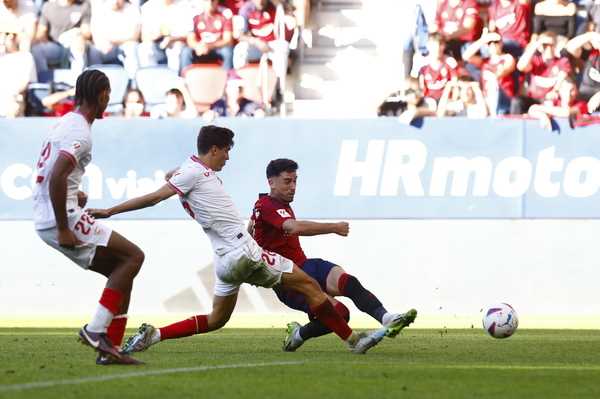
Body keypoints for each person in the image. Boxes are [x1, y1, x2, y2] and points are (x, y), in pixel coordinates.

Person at [88, 125, 390, 355]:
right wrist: (110, 210)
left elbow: (171, 177)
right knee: (310, 286)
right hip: (244, 251)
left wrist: (173, 172)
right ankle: (353, 340)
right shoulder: (193, 173)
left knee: (216, 319)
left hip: (224, 261)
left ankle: (154, 335)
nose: (229, 157)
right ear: (215, 149)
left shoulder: (193, 171)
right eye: (227, 150)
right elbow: (155, 197)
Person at [32, 70, 145, 365]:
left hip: (54, 212)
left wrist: (75, 192)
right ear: (103, 95)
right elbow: (57, 174)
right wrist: (63, 226)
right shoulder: (80, 131)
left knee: (122, 270)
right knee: (134, 257)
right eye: (108, 94)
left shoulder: (67, 123)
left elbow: (51, 174)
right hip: (61, 219)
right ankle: (96, 330)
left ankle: (111, 349)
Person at [248, 159, 417, 352]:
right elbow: (293, 227)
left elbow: (250, 232)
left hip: (305, 265)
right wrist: (334, 227)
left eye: (295, 181)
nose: (293, 187)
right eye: (288, 181)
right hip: (289, 280)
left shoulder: (270, 205)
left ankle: (388, 319)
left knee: (348, 282)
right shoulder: (266, 204)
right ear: (271, 182)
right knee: (340, 315)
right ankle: (298, 335)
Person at [180, 0, 234, 72]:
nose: (210, 3)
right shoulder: (195, 16)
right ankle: (184, 77)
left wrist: (209, 46)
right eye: (206, 0)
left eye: (212, 0)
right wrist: (198, 46)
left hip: (217, 48)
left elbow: (228, 40)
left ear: (217, 1)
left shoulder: (225, 15)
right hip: (200, 48)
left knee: (227, 51)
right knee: (186, 51)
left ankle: (228, 77)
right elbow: (190, 40)